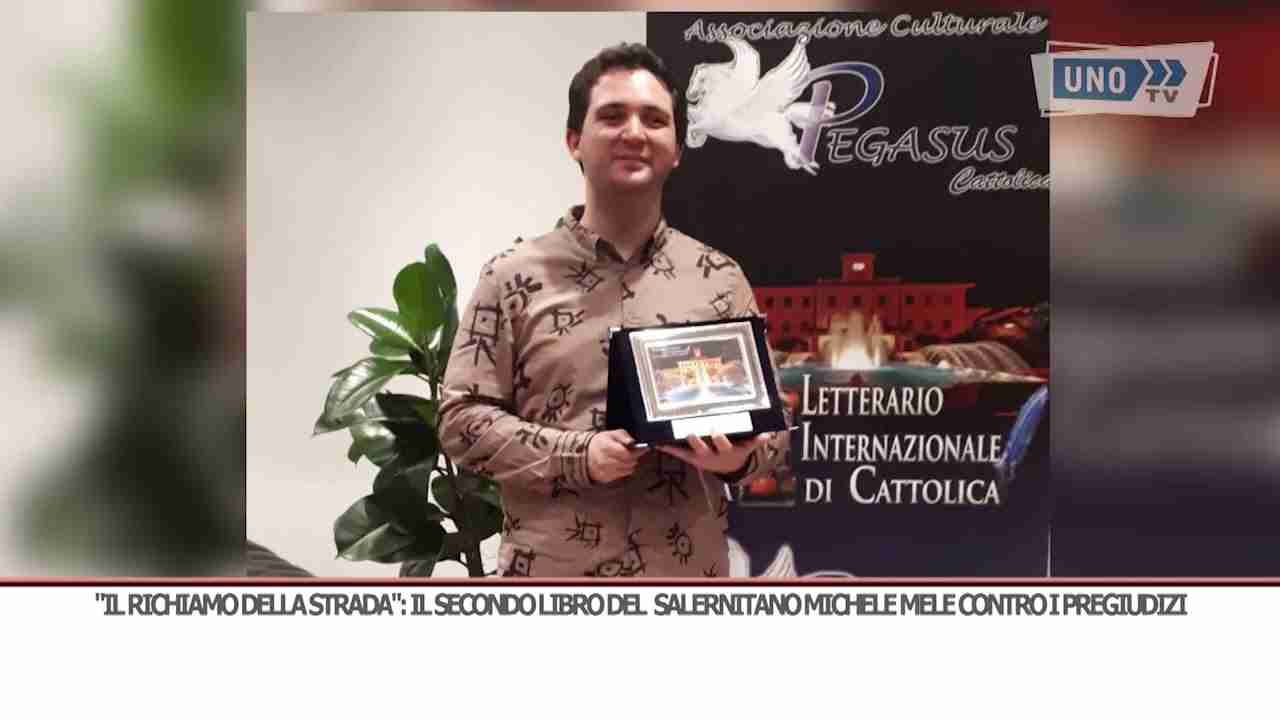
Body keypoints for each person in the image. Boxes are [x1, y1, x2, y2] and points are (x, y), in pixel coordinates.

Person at [438, 43, 787, 577]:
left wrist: (738, 458)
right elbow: (460, 422)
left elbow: (774, 428)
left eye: (654, 119)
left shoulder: (720, 278)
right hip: (553, 591)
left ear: (677, 149)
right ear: (573, 141)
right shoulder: (511, 277)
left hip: (686, 588)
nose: (634, 133)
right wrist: (577, 455)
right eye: (612, 116)